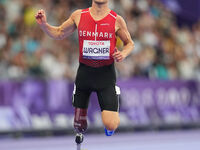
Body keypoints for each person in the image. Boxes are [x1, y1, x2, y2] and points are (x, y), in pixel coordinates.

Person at [35, 0, 134, 144]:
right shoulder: (79, 15)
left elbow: (130, 43)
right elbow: (59, 33)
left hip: (105, 76)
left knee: (110, 124)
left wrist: (123, 54)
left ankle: (114, 96)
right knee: (79, 126)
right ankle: (80, 119)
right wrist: (44, 25)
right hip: (85, 74)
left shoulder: (116, 19)